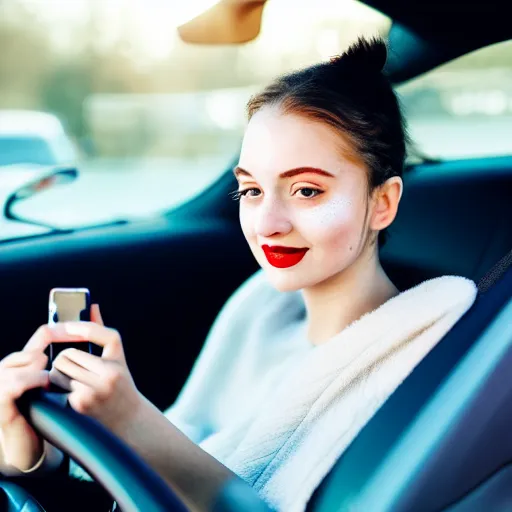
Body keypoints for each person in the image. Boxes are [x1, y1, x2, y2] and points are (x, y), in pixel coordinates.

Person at [0, 37, 477, 512]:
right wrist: (36, 454)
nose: (268, 224)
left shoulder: (415, 367)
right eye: (251, 191)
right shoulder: (259, 309)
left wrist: (130, 418)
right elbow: (186, 437)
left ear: (383, 203)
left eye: (307, 191)